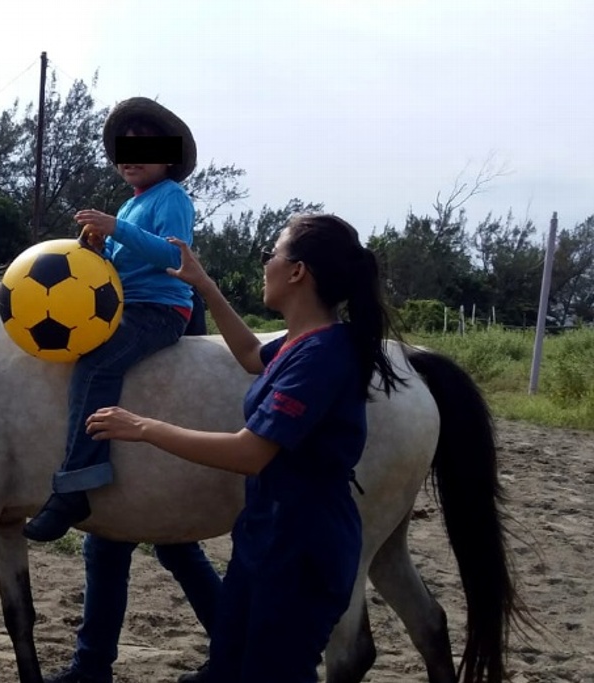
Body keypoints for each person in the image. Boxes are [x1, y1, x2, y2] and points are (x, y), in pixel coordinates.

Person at [85, 213, 404, 681]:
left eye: (269, 254)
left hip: (304, 545)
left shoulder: (322, 357)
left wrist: (144, 427)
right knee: (228, 667)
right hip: (265, 534)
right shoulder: (301, 342)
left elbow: (249, 453)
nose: (264, 264)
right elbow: (253, 357)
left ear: (297, 272)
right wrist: (205, 284)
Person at [24, 96, 201, 542]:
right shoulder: (129, 205)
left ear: (167, 156)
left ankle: (75, 486)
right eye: (124, 150)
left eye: (143, 149)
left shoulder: (172, 197)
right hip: (127, 303)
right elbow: (125, 263)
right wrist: (101, 250)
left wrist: (117, 229)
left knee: (98, 363)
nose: (131, 160)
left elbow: (173, 256)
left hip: (160, 309)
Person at [44, 302, 222, 683]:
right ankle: (92, 664)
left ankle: (233, 651)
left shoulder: (165, 289)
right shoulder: (137, 279)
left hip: (147, 434)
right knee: (115, 546)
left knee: (167, 547)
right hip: (132, 431)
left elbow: (180, 364)